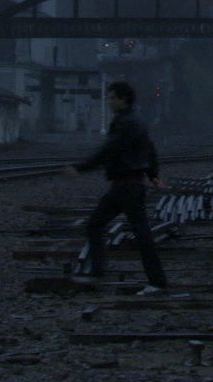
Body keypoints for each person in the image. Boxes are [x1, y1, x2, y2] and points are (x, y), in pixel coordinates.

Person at [63, 81, 171, 295]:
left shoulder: (123, 123)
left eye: (112, 98)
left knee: (136, 233)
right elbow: (150, 152)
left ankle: (156, 282)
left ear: (123, 99)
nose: (109, 101)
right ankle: (100, 272)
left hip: (126, 187)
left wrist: (80, 168)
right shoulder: (138, 123)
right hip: (129, 186)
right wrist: (154, 176)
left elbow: (108, 150)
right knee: (102, 225)